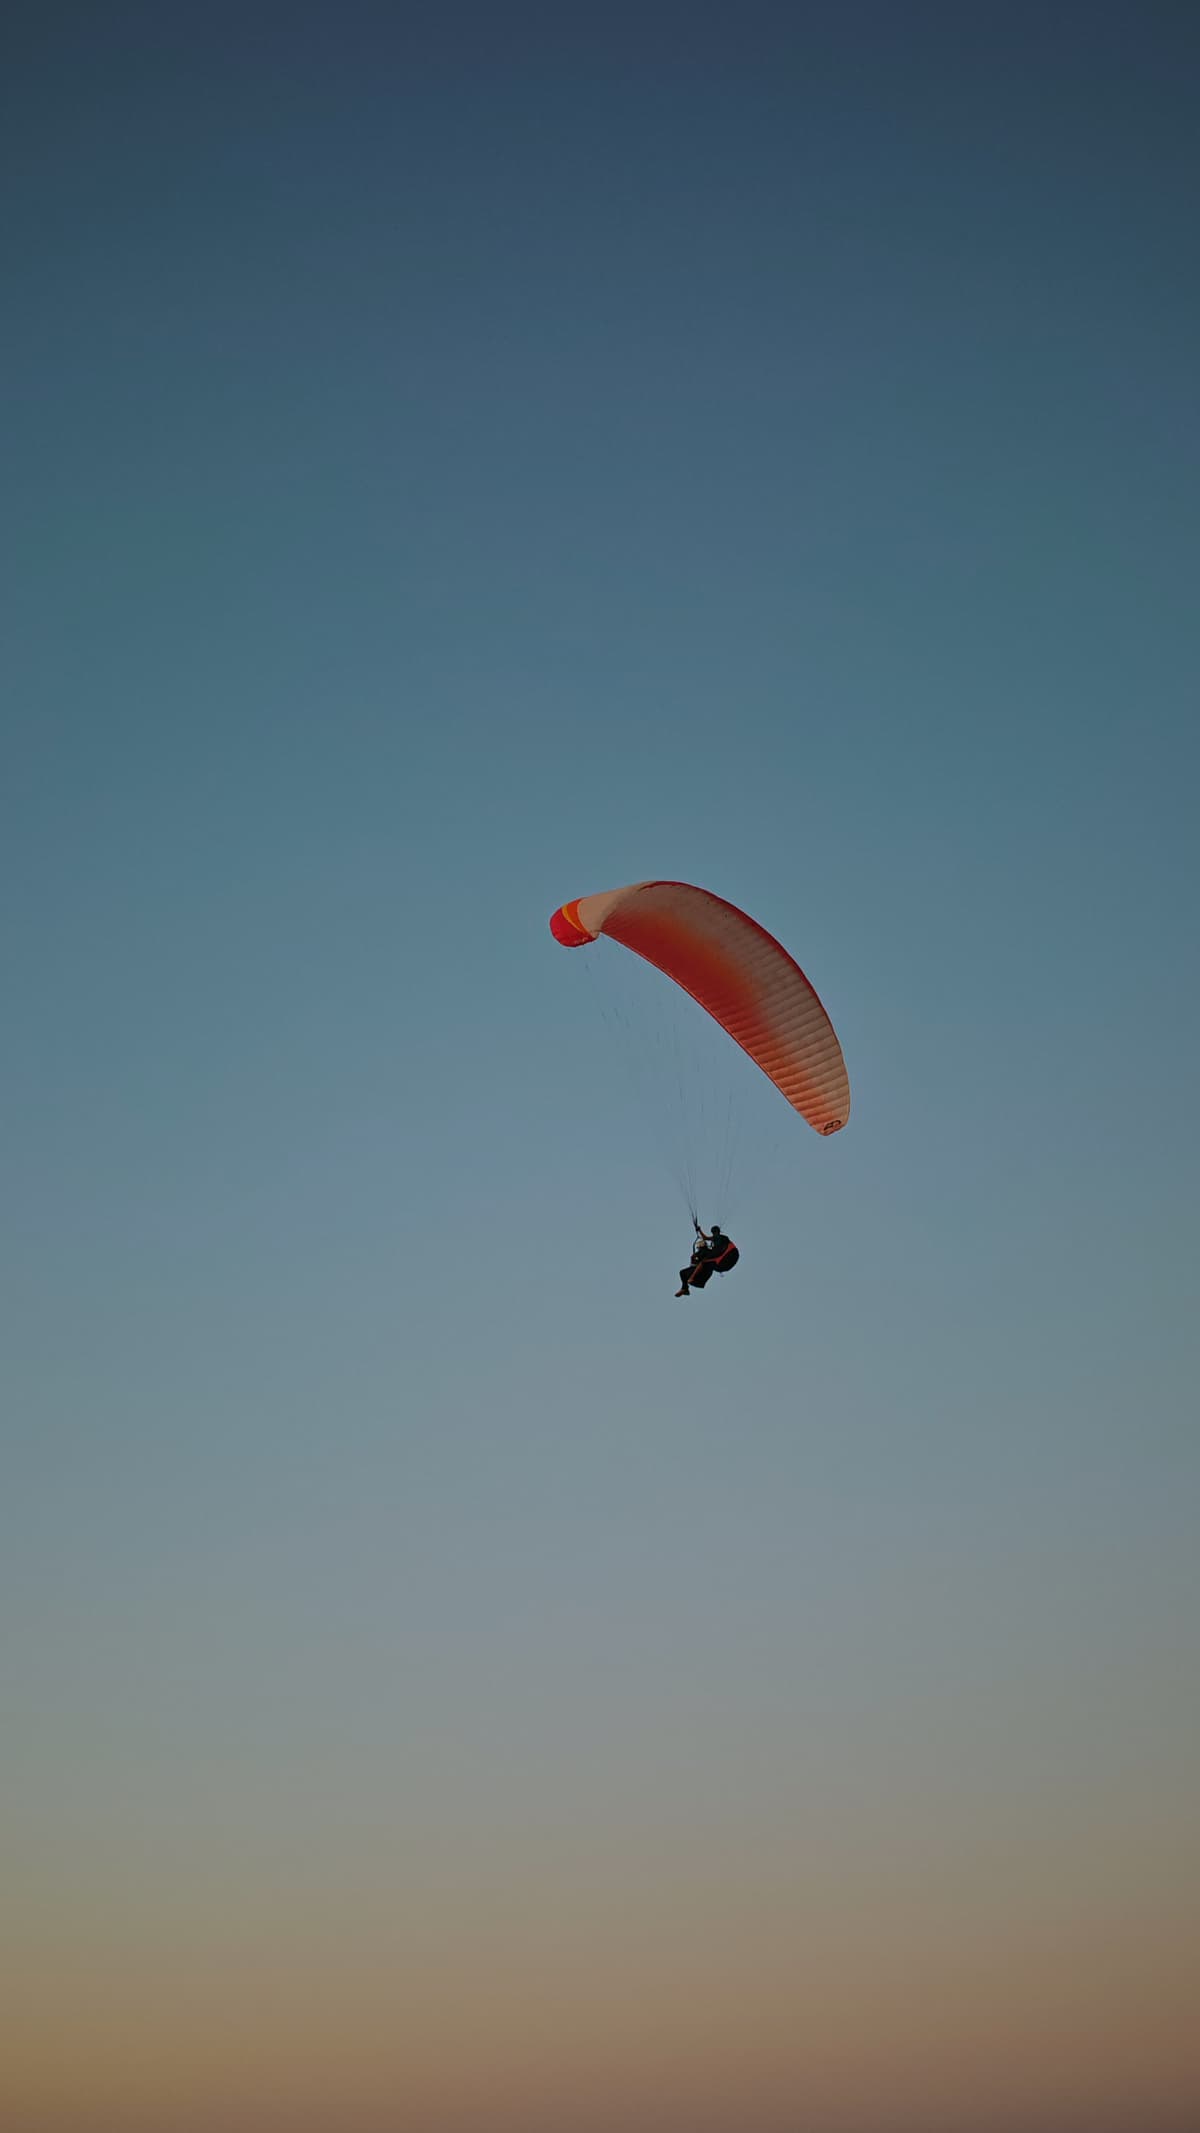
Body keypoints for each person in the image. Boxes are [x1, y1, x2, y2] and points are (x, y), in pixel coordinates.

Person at [675, 1223, 739, 1296]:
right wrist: (699, 1230)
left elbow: (706, 1239)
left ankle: (691, 1279)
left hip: (724, 1259)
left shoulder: (716, 1240)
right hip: (730, 1259)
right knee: (683, 1272)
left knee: (702, 1263)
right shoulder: (720, 1239)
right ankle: (685, 1289)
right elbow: (705, 1238)